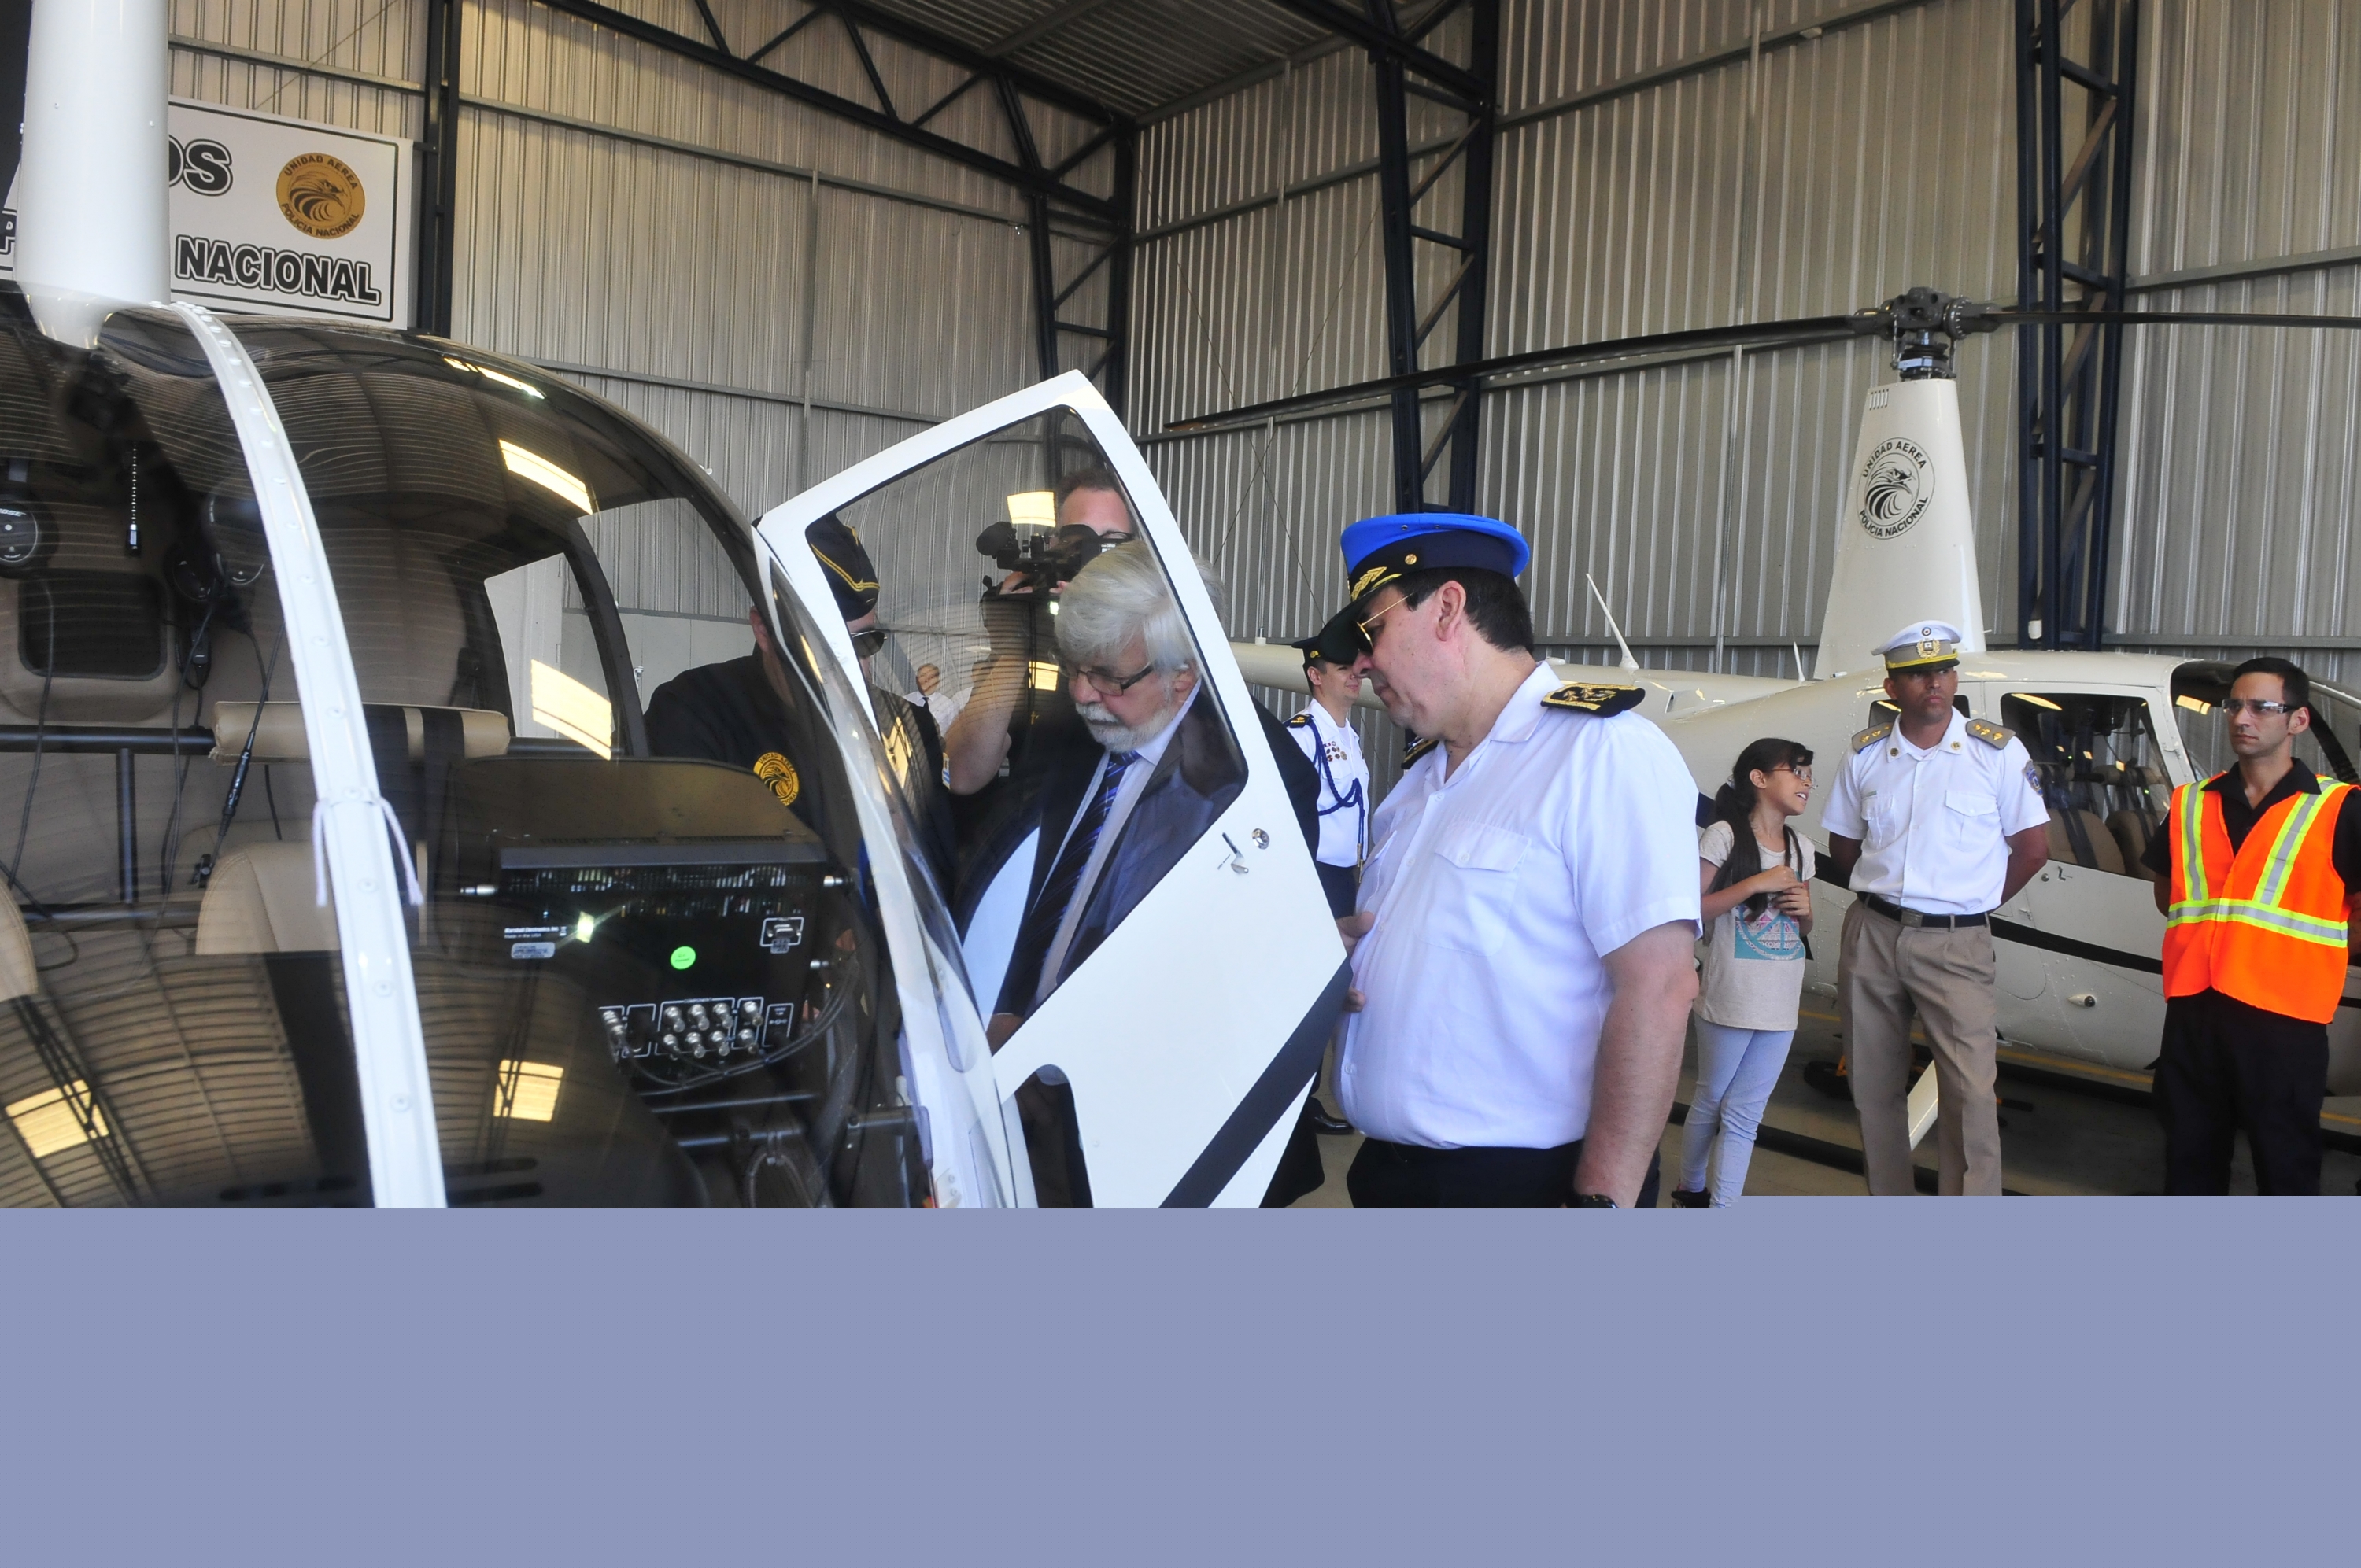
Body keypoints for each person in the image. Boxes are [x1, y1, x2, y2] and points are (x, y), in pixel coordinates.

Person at [1332, 511, 1701, 1208]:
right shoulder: (1417, 784)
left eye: (1373, 627)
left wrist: (1600, 1203)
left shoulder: (1600, 753)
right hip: (1390, 1174)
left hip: (1522, 1184)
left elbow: (1658, 989)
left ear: (1447, 608)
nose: (1363, 660)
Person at [985, 540, 1321, 1205]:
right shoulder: (1071, 733)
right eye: (1074, 666)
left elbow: (1234, 982)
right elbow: (1025, 883)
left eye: (1109, 675)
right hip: (1037, 1108)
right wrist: (1008, 1005)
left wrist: (1074, 1044)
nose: (1083, 692)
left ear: (1184, 674)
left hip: (1171, 1131)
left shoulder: (1258, 780)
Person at [1820, 621, 2048, 1196]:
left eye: (1944, 670)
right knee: (1873, 1088)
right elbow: (1844, 845)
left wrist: (1971, 905)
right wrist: (1881, 897)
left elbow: (2033, 848)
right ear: (1892, 687)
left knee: (1971, 1092)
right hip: (1873, 932)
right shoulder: (1867, 757)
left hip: (1956, 940)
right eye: (1918, 674)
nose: (1935, 683)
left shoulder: (1994, 753)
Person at [2143, 656, 2361, 1194]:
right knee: (2190, 1161)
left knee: (2285, 1162)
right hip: (2195, 1012)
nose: (2243, 717)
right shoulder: (2190, 802)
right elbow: (2167, 891)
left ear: (2297, 721)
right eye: (2235, 705)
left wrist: (2314, 957)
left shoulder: (2339, 808)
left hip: (2285, 1022)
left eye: (2263, 707)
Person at [1671, 739, 1816, 1208]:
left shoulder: (1802, 847)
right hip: (1730, 994)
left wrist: (1806, 909)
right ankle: (1689, 1189)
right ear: (1759, 778)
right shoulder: (1724, 837)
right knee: (1712, 1101)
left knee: (1746, 1114)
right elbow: (1691, 910)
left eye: (1808, 772)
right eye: (1795, 771)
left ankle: (1723, 1209)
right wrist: (1754, 884)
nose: (1806, 781)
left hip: (1781, 1000)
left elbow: (1803, 927)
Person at [1283, 606, 1372, 918]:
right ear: (1315, 675)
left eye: (1355, 668)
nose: (1354, 676)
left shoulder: (1350, 736)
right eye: (1342, 668)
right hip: (1314, 874)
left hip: (1347, 874)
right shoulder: (1301, 736)